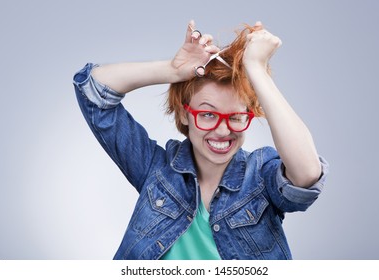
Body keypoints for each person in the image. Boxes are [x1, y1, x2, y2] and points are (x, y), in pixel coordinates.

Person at [73, 20, 328, 260]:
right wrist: (171, 70)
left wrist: (257, 70)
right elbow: (92, 90)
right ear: (185, 114)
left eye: (237, 116)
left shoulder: (260, 175)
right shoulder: (155, 169)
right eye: (207, 114)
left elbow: (307, 175)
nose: (222, 130)